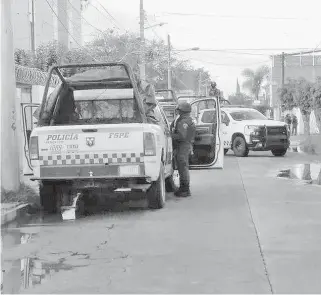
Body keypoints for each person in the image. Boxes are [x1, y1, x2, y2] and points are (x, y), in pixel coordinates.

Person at [171, 101, 196, 197]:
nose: (178, 112)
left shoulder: (183, 121)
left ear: (182, 111)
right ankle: (184, 188)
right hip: (186, 145)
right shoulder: (187, 119)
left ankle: (185, 189)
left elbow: (181, 136)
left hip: (183, 146)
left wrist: (170, 136)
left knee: (183, 167)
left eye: (179, 110)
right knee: (183, 167)